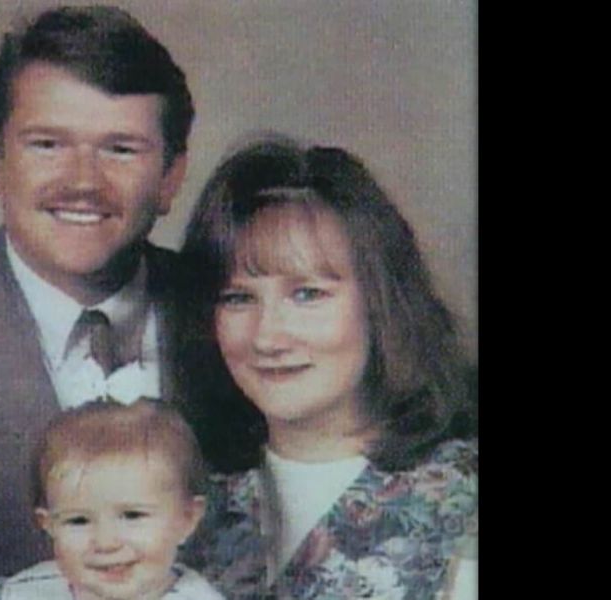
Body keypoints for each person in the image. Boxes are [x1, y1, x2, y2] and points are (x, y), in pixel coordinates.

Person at [0, 6, 194, 599]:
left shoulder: (247, 327)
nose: (83, 181)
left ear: (172, 177)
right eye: (48, 144)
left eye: (121, 149)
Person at [176, 136, 478, 599]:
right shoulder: (179, 496)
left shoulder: (462, 498)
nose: (268, 337)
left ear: (381, 303)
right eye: (238, 298)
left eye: (307, 294)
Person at [0, 399, 224, 600]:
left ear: (187, 518)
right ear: (47, 524)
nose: (106, 542)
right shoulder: (26, 592)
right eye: (78, 520)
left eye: (132, 516)